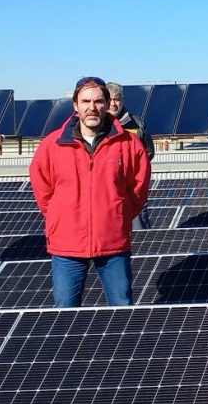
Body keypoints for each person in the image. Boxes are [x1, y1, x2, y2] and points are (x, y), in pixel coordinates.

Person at [30, 77, 151, 307]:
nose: (92, 107)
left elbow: (138, 189)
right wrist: (60, 217)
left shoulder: (128, 144)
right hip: (67, 245)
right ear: (75, 105)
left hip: (113, 243)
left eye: (98, 101)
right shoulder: (52, 145)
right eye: (85, 101)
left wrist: (118, 217)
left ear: (107, 104)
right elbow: (42, 189)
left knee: (122, 310)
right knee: (64, 312)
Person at [106, 81, 155, 229]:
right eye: (110, 100)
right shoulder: (97, 126)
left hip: (134, 188)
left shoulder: (136, 124)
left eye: (117, 99)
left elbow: (149, 151)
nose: (114, 104)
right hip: (109, 188)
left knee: (140, 228)